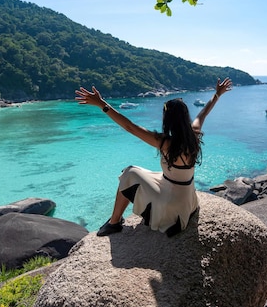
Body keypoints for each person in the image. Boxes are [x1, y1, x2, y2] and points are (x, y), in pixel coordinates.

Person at [75, 77, 232, 237]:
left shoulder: (165, 142)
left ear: (168, 119)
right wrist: (217, 94)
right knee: (152, 174)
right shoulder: (195, 134)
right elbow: (203, 113)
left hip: (171, 207)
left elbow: (130, 127)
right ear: (185, 117)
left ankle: (114, 222)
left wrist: (102, 104)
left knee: (129, 173)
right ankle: (119, 219)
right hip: (188, 203)